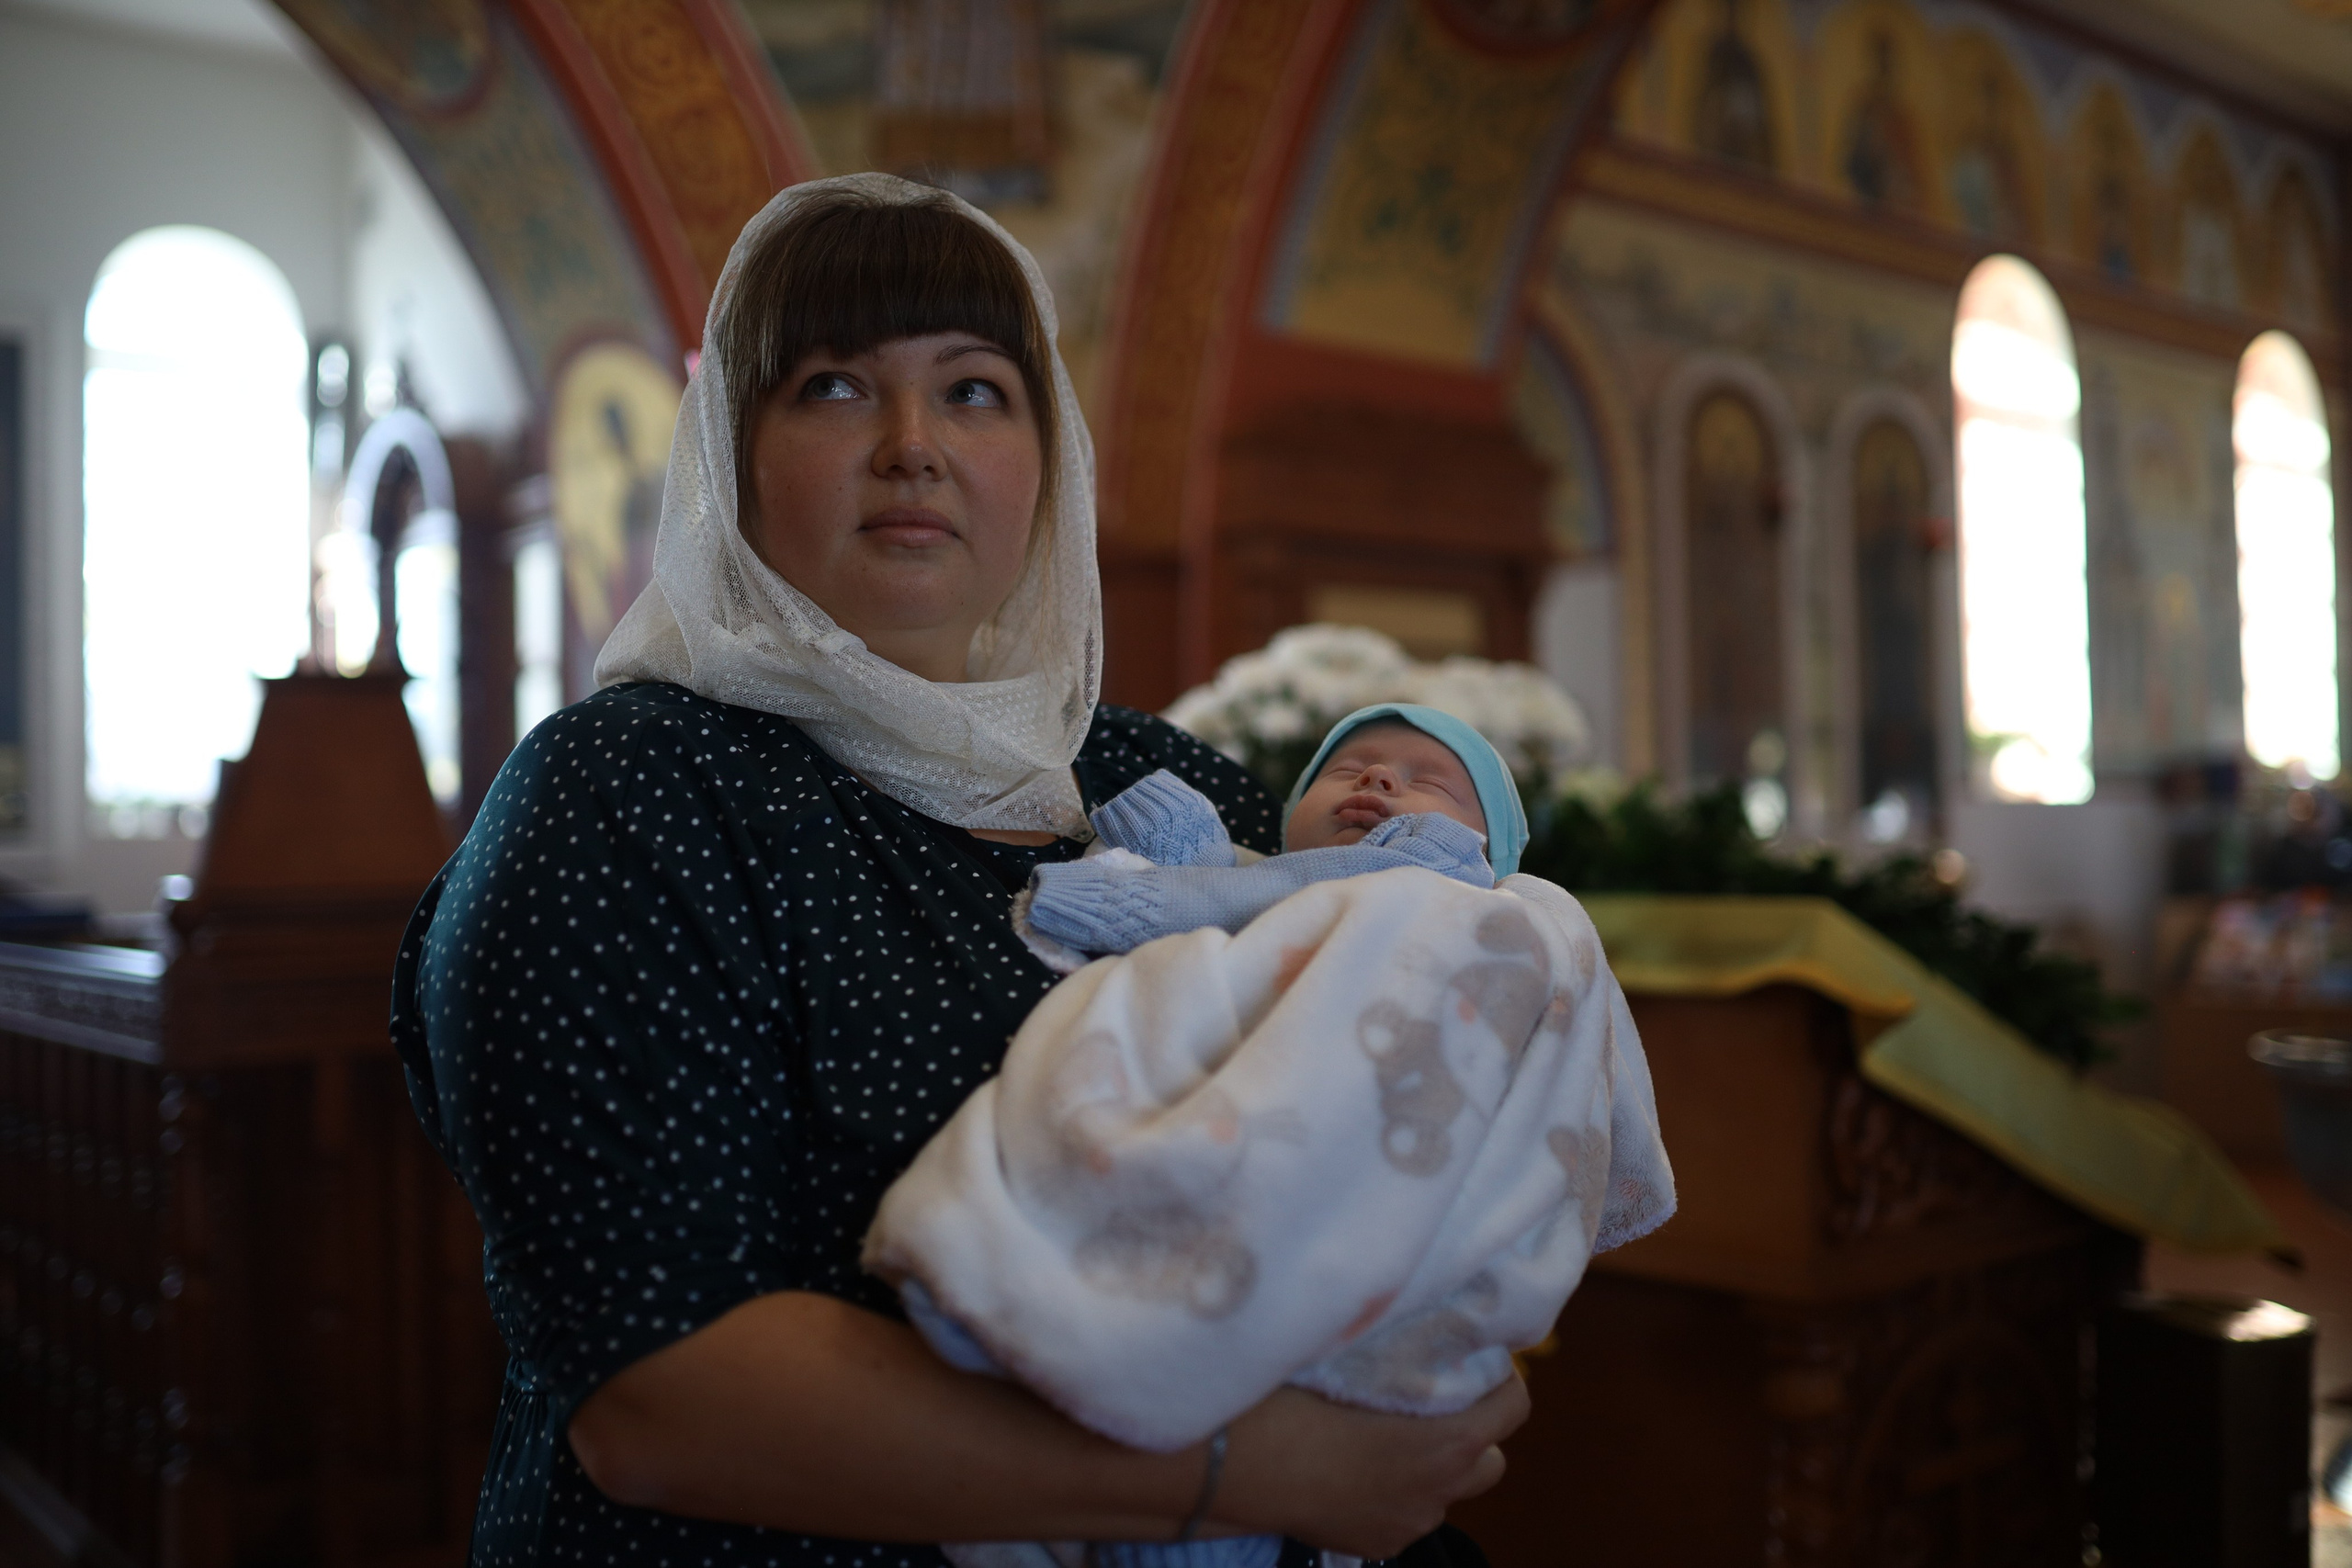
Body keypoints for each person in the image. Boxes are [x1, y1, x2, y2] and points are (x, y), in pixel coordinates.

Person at [390, 174, 1527, 1568]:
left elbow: (1411, 1085)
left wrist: (1444, 1338)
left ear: (1050, 460)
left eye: (977, 391)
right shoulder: (628, 793)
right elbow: (661, 1394)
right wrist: (1254, 1468)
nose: (913, 446)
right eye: (831, 388)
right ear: (729, 457)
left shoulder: (1156, 778)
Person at [867, 709, 1673, 1568]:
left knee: (1262, 1376)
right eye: (1350, 767)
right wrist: (1201, 854)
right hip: (1246, 1131)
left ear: (1495, 848)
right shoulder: (1290, 884)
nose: (1377, 782)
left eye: (1428, 779)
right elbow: (1256, 915)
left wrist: (1124, 892)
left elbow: (1252, 904)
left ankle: (1087, 1358)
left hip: (1350, 1177)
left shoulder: (1445, 882)